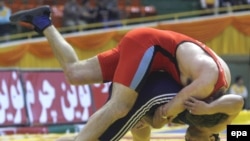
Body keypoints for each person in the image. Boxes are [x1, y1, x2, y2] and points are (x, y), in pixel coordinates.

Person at [10, 5, 231, 141]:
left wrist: (210, 109)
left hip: (150, 48)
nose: (188, 140)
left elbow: (235, 109)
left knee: (75, 73)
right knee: (120, 106)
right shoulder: (206, 88)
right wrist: (160, 119)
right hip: (148, 46)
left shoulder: (215, 93)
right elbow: (160, 117)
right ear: (213, 137)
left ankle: (42, 21)